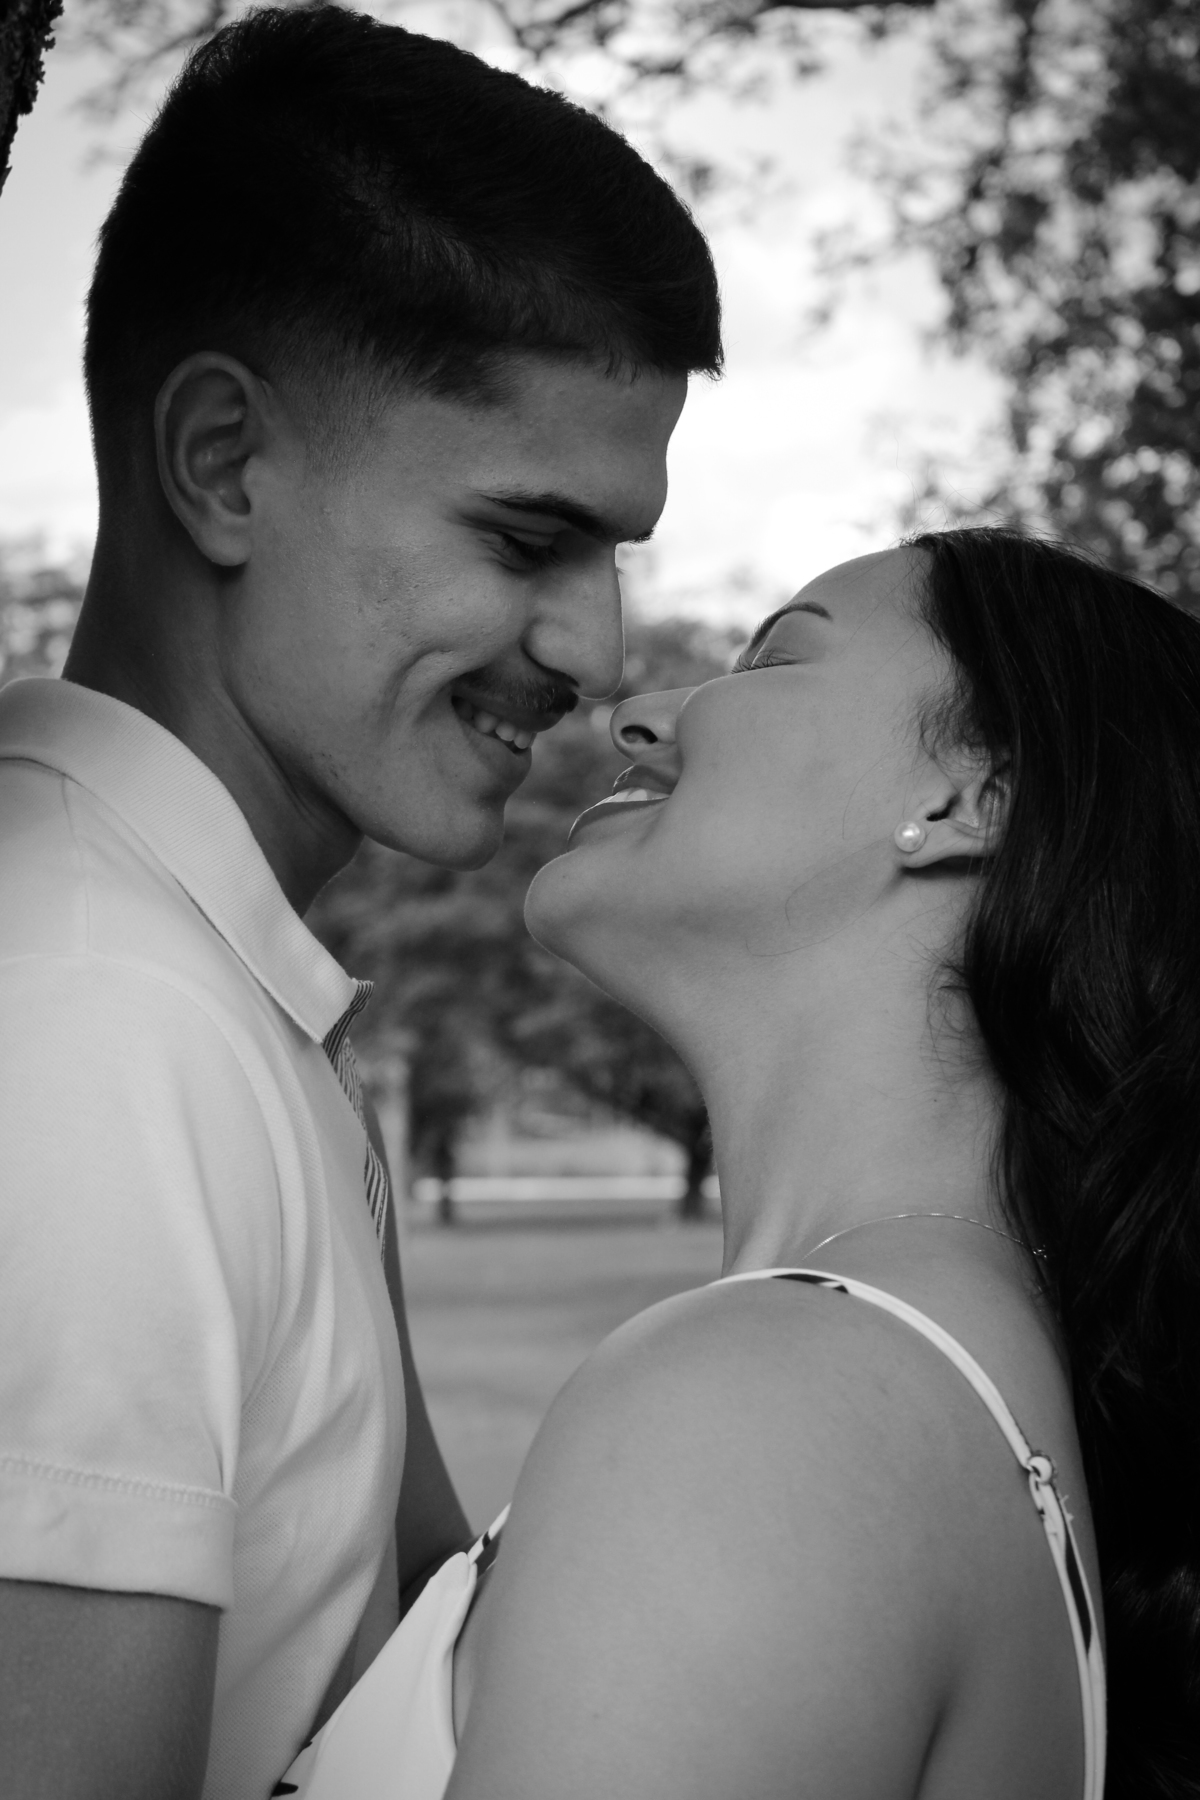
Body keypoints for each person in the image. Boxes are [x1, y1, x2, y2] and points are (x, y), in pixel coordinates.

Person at [0, 7, 722, 1798]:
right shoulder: (93, 1032)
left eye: (614, 555)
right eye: (526, 539)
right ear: (224, 463)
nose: (597, 650)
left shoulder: (189, 984)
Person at [286, 527, 1200, 1799]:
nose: (636, 712)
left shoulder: (767, 1410)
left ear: (971, 801)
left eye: (772, 660)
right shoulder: (897, 1384)